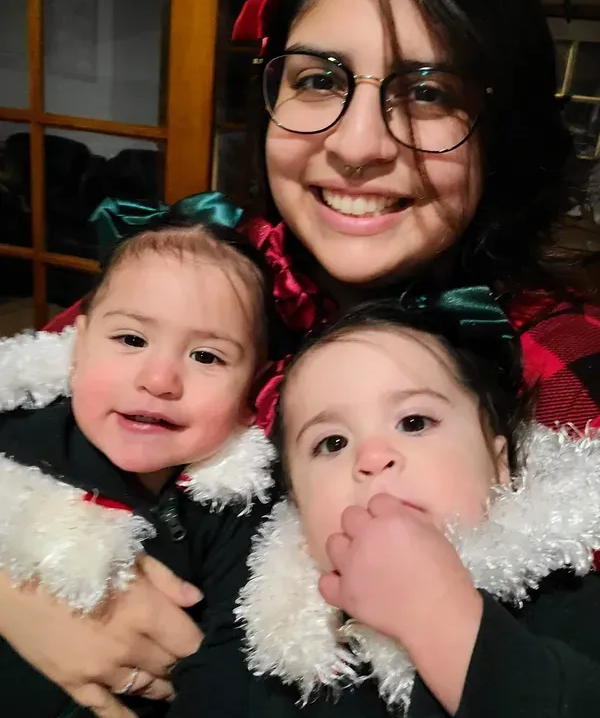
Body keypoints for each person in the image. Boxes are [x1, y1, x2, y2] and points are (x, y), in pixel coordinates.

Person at [5, 0, 600, 710]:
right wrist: (18, 583)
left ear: (504, 130)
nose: (358, 145)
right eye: (318, 79)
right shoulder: (200, 281)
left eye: (426, 92)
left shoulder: (563, 367)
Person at [170, 298, 600, 717]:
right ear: (297, 509)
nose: (373, 457)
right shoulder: (267, 652)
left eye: (414, 422)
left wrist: (441, 620)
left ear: (500, 462)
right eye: (332, 443)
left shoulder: (571, 594)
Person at [0, 196, 280, 718]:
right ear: (78, 349)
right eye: (131, 338)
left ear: (253, 389)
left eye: (206, 356)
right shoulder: (20, 434)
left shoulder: (239, 511)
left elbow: (233, 660)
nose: (158, 381)